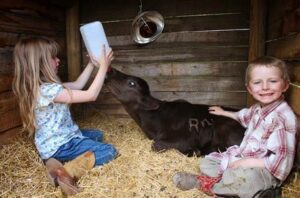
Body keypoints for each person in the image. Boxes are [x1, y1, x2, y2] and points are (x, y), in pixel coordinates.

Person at [173, 56, 297, 197]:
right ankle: (250, 191)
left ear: (285, 85)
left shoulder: (282, 118)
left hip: (265, 171)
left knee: (244, 179)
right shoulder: (257, 109)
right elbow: (244, 116)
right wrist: (224, 112)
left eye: (272, 81)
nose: (265, 87)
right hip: (244, 157)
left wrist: (248, 162)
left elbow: (281, 160)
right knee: (207, 162)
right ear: (249, 89)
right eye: (257, 82)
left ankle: (206, 185)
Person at [12, 37, 117, 195]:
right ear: (40, 63)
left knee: (98, 134)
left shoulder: (44, 88)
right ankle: (67, 172)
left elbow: (78, 84)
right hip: (62, 144)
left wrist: (91, 64)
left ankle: (52, 163)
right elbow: (91, 94)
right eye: (53, 57)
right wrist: (103, 66)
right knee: (109, 151)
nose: (58, 60)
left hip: (55, 141)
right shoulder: (49, 91)